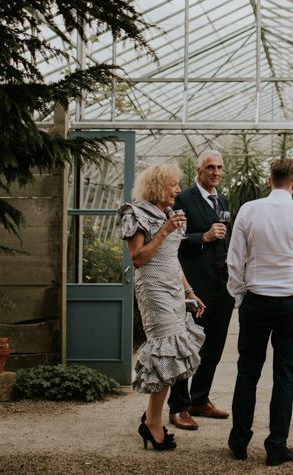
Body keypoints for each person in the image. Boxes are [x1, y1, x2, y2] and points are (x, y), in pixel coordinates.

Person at [226, 158, 293, 466]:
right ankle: (276, 446)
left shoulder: (249, 210)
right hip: (291, 303)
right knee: (285, 376)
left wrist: (240, 297)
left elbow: (234, 259)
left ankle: (239, 442)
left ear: (270, 180)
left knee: (247, 372)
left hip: (255, 301)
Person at [117, 164, 206, 452]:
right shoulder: (135, 212)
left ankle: (151, 418)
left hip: (173, 290)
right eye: (173, 185)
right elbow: (138, 258)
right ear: (157, 186)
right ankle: (153, 422)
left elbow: (172, 259)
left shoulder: (167, 213)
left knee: (173, 354)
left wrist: (190, 292)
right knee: (166, 352)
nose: (178, 190)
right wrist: (165, 231)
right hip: (153, 291)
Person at [168, 150, 234, 430]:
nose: (215, 172)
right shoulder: (183, 199)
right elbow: (171, 241)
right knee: (187, 346)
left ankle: (200, 399)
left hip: (223, 287)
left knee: (214, 347)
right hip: (195, 287)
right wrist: (203, 237)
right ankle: (178, 406)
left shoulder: (223, 199)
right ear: (199, 169)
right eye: (210, 167)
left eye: (219, 167)